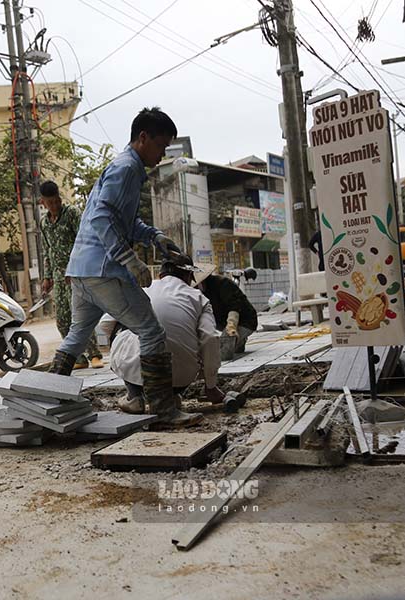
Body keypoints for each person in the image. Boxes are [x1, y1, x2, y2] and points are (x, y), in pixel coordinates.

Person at [49, 107, 202, 427]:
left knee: (77, 335)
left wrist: (156, 237)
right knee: (151, 330)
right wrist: (129, 260)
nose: (162, 155)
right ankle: (164, 410)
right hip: (104, 270)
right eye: (161, 146)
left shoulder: (125, 167)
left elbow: (125, 221)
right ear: (143, 138)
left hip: (81, 270)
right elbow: (102, 218)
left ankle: (46, 397)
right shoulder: (126, 169)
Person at [99, 256, 225, 414]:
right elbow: (210, 338)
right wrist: (211, 386)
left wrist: (126, 337)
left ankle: (135, 396)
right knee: (191, 340)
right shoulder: (200, 298)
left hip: (137, 371)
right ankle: (170, 397)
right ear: (189, 277)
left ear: (160, 275)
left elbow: (104, 324)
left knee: (120, 327)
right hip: (181, 378)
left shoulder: (141, 290)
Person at [39, 180, 104, 370]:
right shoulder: (44, 224)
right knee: (63, 321)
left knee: (81, 317)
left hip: (76, 274)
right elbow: (47, 251)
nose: (54, 205)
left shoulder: (72, 214)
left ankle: (94, 355)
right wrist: (47, 277)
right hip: (59, 279)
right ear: (43, 202)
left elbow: (83, 242)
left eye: (56, 201)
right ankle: (79, 358)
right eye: (50, 202)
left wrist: (76, 268)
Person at [197, 269, 258, 354]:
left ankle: (238, 338)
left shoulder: (223, 284)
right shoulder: (199, 290)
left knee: (223, 354)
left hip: (245, 321)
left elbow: (235, 307)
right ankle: (238, 342)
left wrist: (231, 326)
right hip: (221, 321)